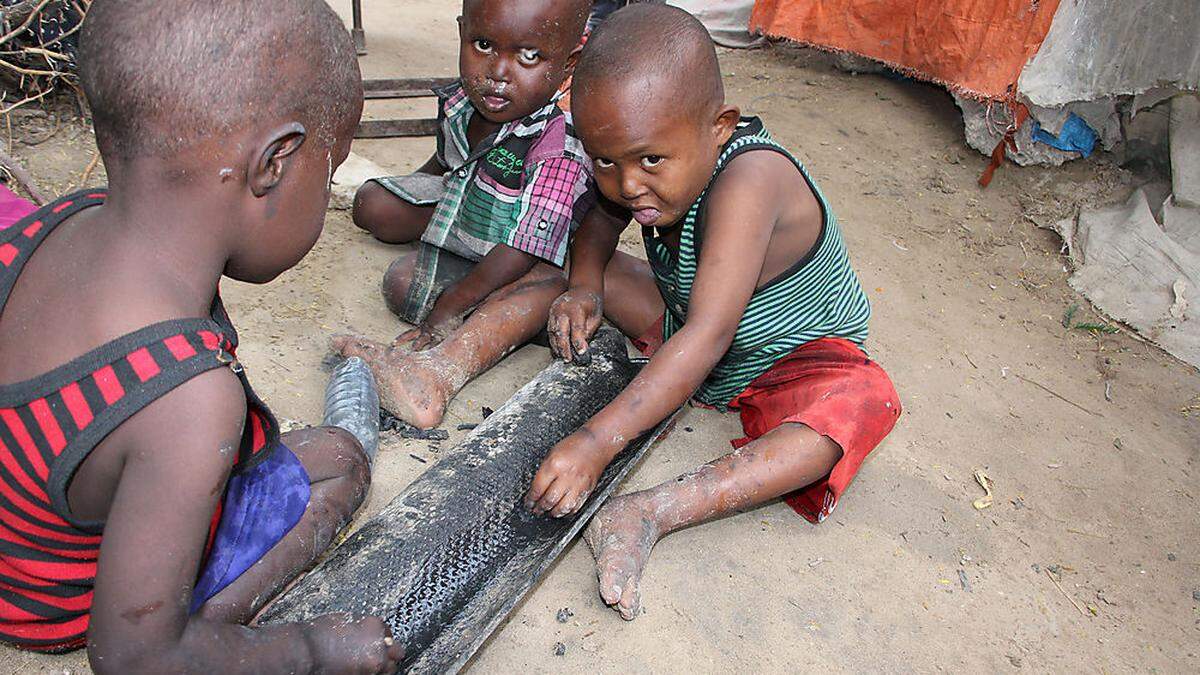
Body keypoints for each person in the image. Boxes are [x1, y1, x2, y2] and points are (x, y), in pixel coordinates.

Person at [0, 1, 403, 672]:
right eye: (327, 172)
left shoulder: (51, 225)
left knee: (326, 450)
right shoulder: (188, 401)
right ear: (274, 163)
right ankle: (202, 629)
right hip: (57, 607)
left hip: (24, 538)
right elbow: (129, 656)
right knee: (341, 468)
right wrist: (313, 649)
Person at [526, 4, 902, 621]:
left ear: (719, 126)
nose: (627, 184)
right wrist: (587, 286)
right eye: (603, 159)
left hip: (786, 357)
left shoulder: (749, 180)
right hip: (690, 324)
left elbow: (710, 332)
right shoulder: (635, 165)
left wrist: (597, 442)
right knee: (562, 276)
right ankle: (445, 360)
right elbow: (599, 214)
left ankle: (653, 510)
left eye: (650, 161)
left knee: (864, 402)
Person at [334, 0, 595, 430]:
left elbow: (521, 247)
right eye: (484, 44)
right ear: (461, 32)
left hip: (521, 250)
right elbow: (444, 166)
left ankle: (469, 334)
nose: (498, 71)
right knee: (373, 204)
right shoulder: (461, 101)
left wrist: (450, 307)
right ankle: (475, 290)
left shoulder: (558, 146)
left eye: (529, 56)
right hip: (470, 213)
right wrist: (414, 199)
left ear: (569, 63)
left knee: (406, 285)